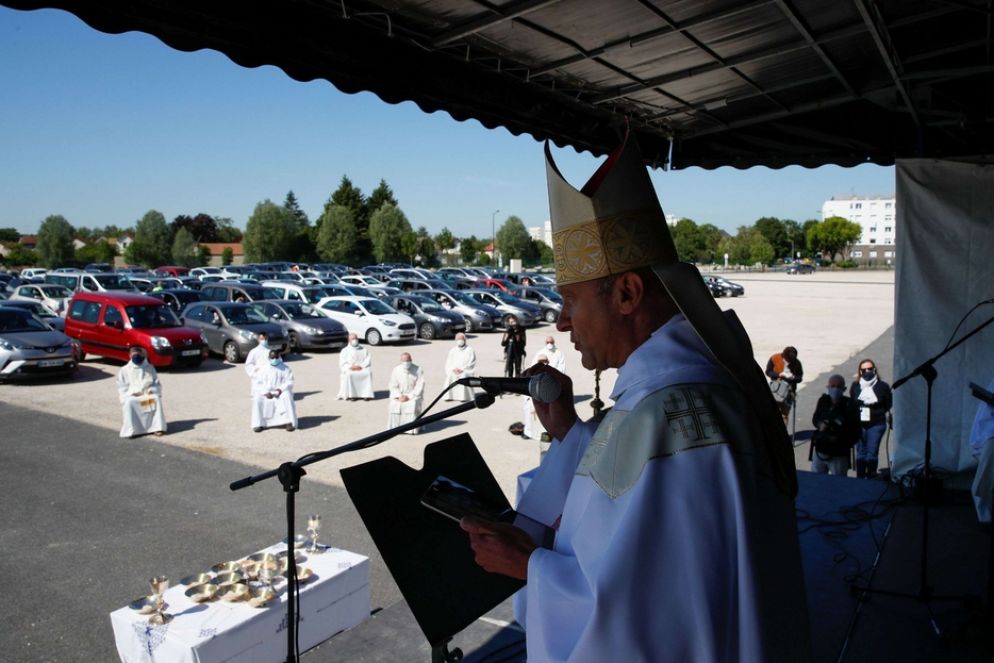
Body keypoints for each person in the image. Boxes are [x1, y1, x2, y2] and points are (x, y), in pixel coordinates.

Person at [460, 134, 809, 662]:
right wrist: (569, 433)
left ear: (626, 294)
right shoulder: (681, 391)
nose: (561, 321)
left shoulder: (670, 414)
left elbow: (650, 616)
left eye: (571, 299)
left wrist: (528, 565)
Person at [849, 358, 893, 478]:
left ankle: (871, 477)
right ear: (860, 372)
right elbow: (852, 401)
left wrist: (877, 410)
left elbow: (888, 403)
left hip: (876, 424)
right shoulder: (856, 386)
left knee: (872, 453)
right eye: (864, 369)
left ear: (874, 370)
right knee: (861, 453)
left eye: (870, 369)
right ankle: (860, 478)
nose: (867, 371)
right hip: (860, 424)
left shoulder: (882, 386)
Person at [810, 374, 861, 476]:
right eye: (832, 386)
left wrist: (838, 438)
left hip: (838, 453)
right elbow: (815, 419)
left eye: (838, 386)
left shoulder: (850, 405)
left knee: (838, 484)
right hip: (820, 450)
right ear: (828, 387)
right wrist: (820, 424)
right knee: (816, 481)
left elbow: (856, 432)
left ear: (844, 388)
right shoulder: (823, 401)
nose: (835, 389)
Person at [116, 346, 167, 439]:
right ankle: (132, 430)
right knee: (129, 402)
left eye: (138, 355)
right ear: (130, 355)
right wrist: (131, 393)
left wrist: (152, 390)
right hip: (133, 396)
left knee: (155, 399)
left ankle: (156, 428)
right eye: (134, 355)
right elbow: (122, 386)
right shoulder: (125, 370)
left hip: (147, 395)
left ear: (142, 355)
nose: (136, 356)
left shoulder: (149, 368)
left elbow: (156, 383)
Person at [251, 349, 297, 432]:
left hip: (280, 391)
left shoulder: (285, 368)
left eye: (276, 357)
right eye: (272, 357)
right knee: (258, 399)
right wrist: (265, 392)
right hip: (266, 392)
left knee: (287, 396)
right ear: (269, 358)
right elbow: (257, 383)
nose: (274, 359)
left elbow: (290, 381)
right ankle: (259, 424)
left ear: (279, 357)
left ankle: (289, 422)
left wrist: (281, 389)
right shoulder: (263, 369)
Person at [388, 352, 425, 434]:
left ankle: (411, 429)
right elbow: (392, 385)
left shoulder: (418, 370)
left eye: (408, 360)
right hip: (399, 396)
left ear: (411, 360)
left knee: (412, 404)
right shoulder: (396, 370)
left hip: (413, 396)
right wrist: (399, 396)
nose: (406, 363)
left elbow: (420, 385)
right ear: (401, 361)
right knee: (394, 404)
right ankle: (395, 429)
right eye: (404, 361)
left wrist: (409, 396)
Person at [766, 346, 803, 425]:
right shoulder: (775, 358)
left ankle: (783, 434)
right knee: (773, 414)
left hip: (789, 392)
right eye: (788, 360)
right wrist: (779, 374)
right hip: (776, 390)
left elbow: (799, 378)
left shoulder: (797, 363)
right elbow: (768, 371)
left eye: (791, 360)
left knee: (784, 415)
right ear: (784, 356)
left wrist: (793, 377)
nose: (789, 362)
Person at [338, 333, 374, 401]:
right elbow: (342, 362)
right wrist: (351, 367)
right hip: (350, 368)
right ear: (349, 340)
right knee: (350, 374)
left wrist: (361, 366)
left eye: (356, 338)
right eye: (353, 339)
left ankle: (366, 395)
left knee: (368, 373)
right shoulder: (345, 350)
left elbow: (367, 359)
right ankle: (353, 395)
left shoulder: (363, 349)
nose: (355, 340)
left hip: (362, 368)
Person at [522, 353, 550, 440]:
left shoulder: (551, 372)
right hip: (531, 399)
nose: (543, 363)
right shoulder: (530, 371)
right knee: (529, 416)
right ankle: (528, 432)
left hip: (544, 400)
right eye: (541, 361)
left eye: (544, 361)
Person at [444, 332, 477, 402]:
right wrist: (453, 369)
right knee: (450, 375)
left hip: (465, 371)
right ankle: (449, 396)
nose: (460, 340)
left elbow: (471, 363)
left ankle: (463, 397)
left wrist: (462, 370)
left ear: (464, 340)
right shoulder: (452, 350)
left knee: (463, 376)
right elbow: (448, 363)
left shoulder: (470, 350)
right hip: (454, 370)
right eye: (458, 339)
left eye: (461, 339)